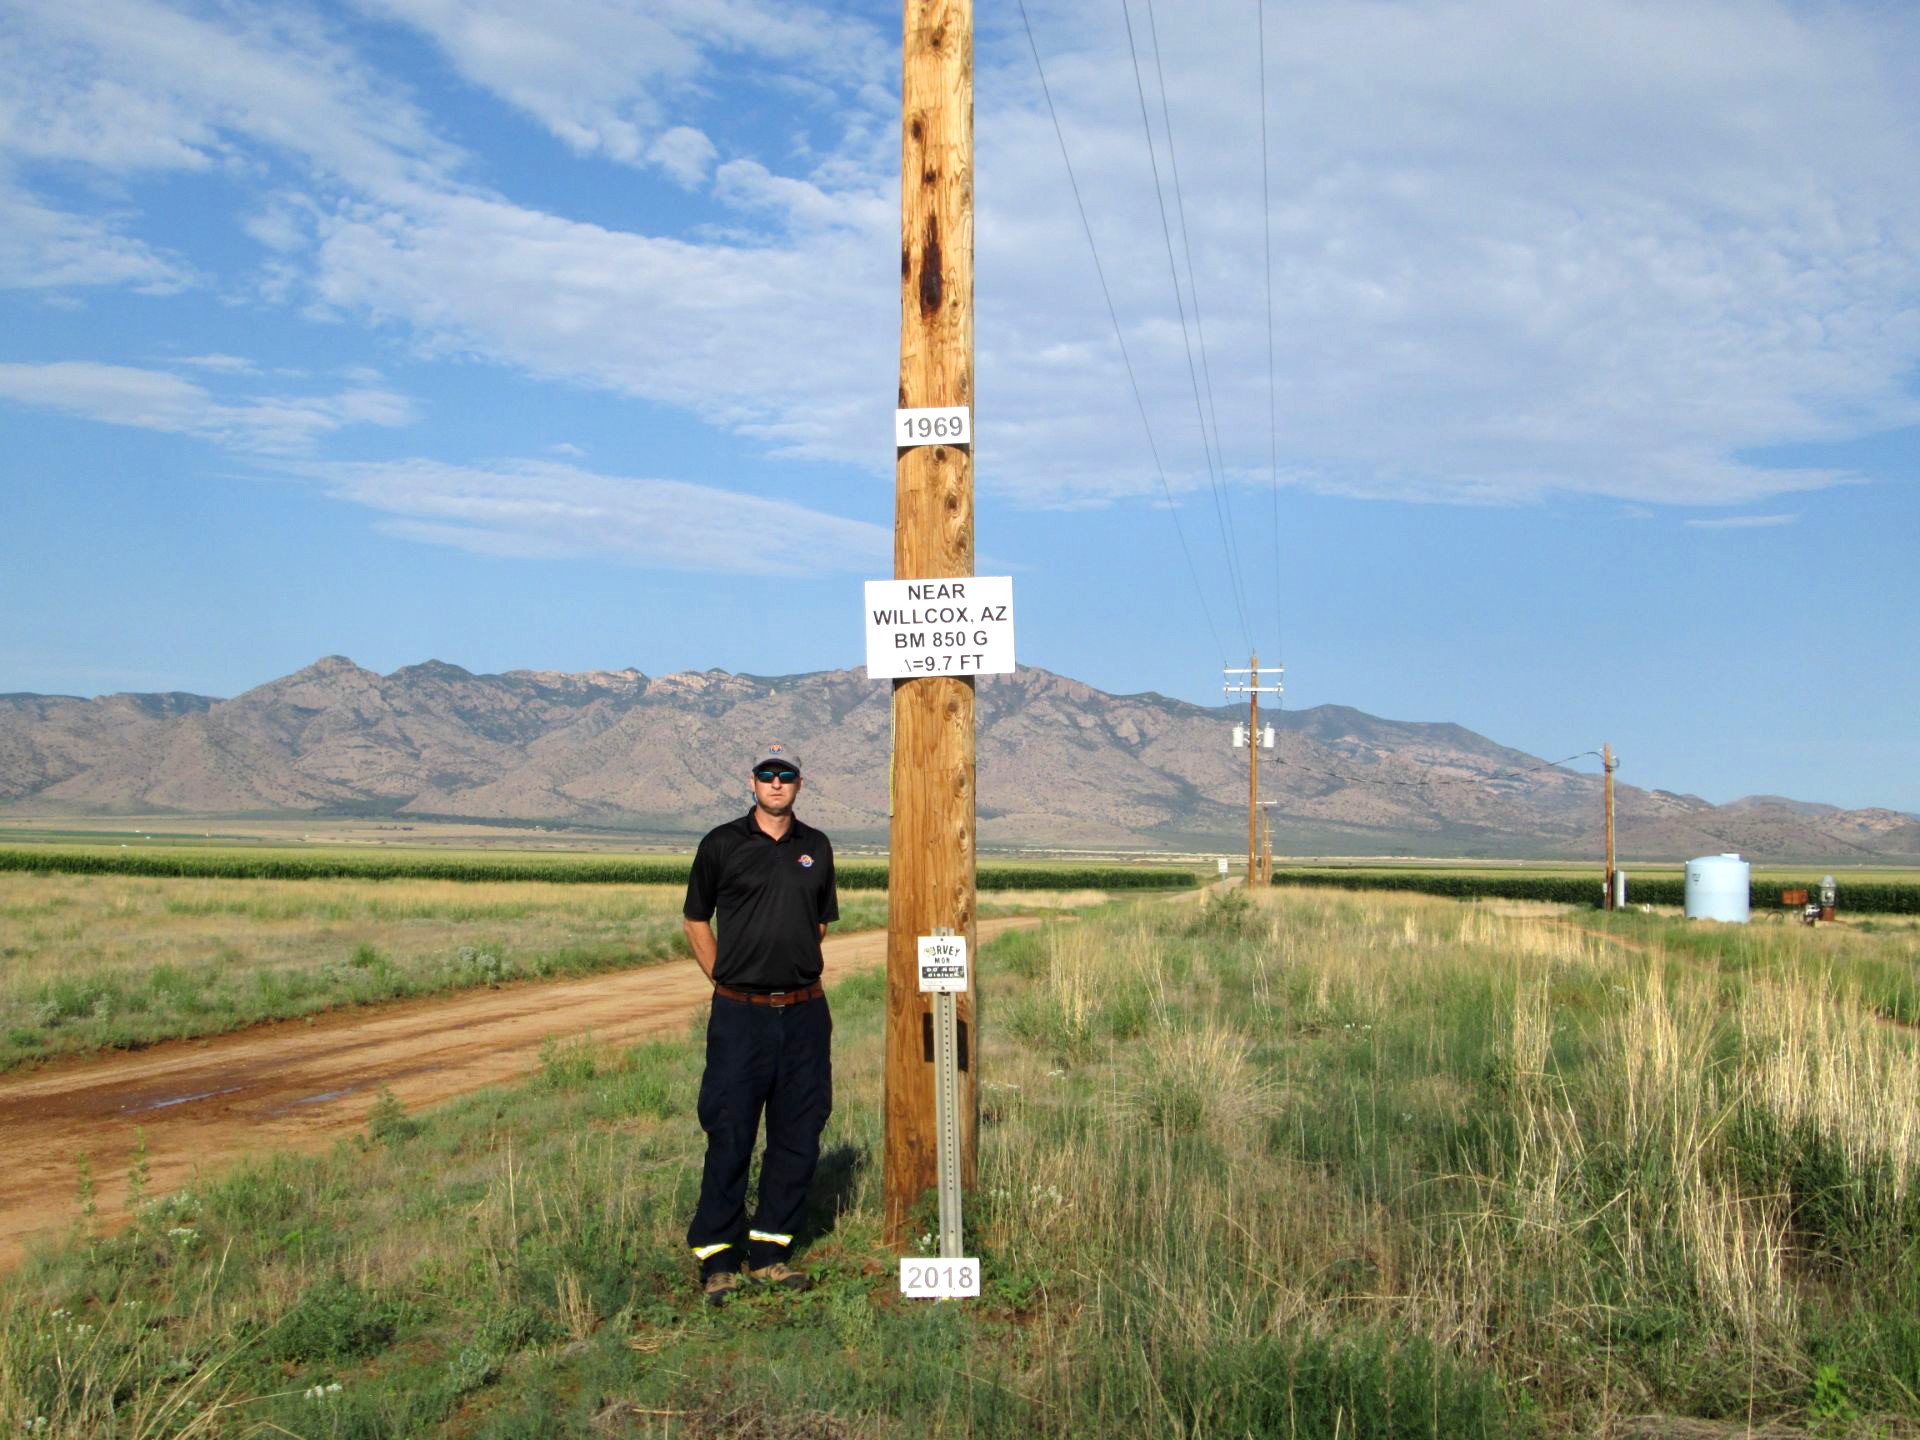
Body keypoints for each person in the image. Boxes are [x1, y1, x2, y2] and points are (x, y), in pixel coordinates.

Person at [681, 742, 838, 1306]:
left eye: (787, 775)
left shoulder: (815, 848)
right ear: (752, 783)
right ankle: (717, 1257)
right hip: (738, 1016)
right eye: (768, 775)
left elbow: (819, 924)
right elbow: (695, 918)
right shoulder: (722, 844)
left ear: (800, 782)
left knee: (799, 1132)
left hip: (803, 1014)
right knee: (730, 1131)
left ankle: (770, 1252)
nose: (777, 783)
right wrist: (723, 975)